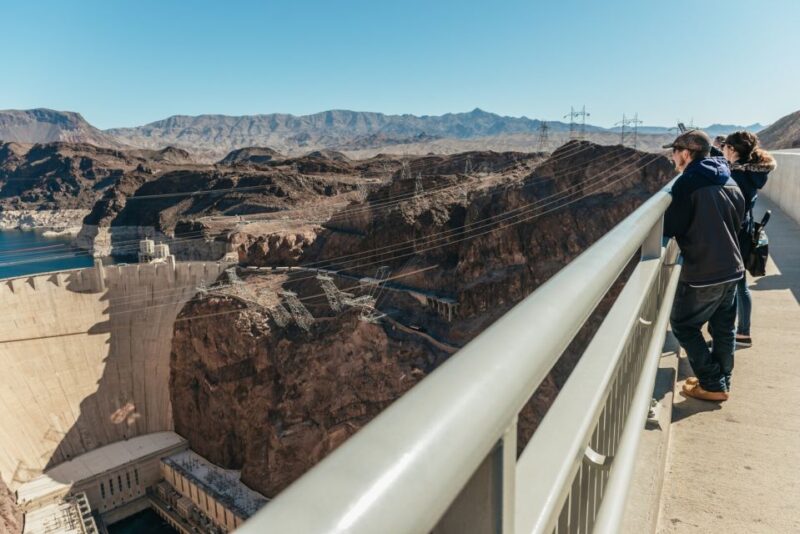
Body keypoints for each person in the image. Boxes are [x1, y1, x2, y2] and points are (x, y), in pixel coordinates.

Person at [663, 130, 745, 401]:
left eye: (674, 150)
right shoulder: (730, 179)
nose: (672, 156)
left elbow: (672, 225)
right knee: (723, 328)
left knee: (684, 326)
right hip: (732, 269)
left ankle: (712, 382)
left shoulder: (687, 183)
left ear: (686, 153)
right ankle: (722, 383)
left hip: (704, 271)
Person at [722, 131, 776, 347]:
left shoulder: (736, 176)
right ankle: (740, 333)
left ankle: (741, 334)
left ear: (733, 150)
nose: (723, 149)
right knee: (739, 284)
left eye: (725, 146)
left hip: (735, 233)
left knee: (737, 285)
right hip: (744, 231)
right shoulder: (750, 172)